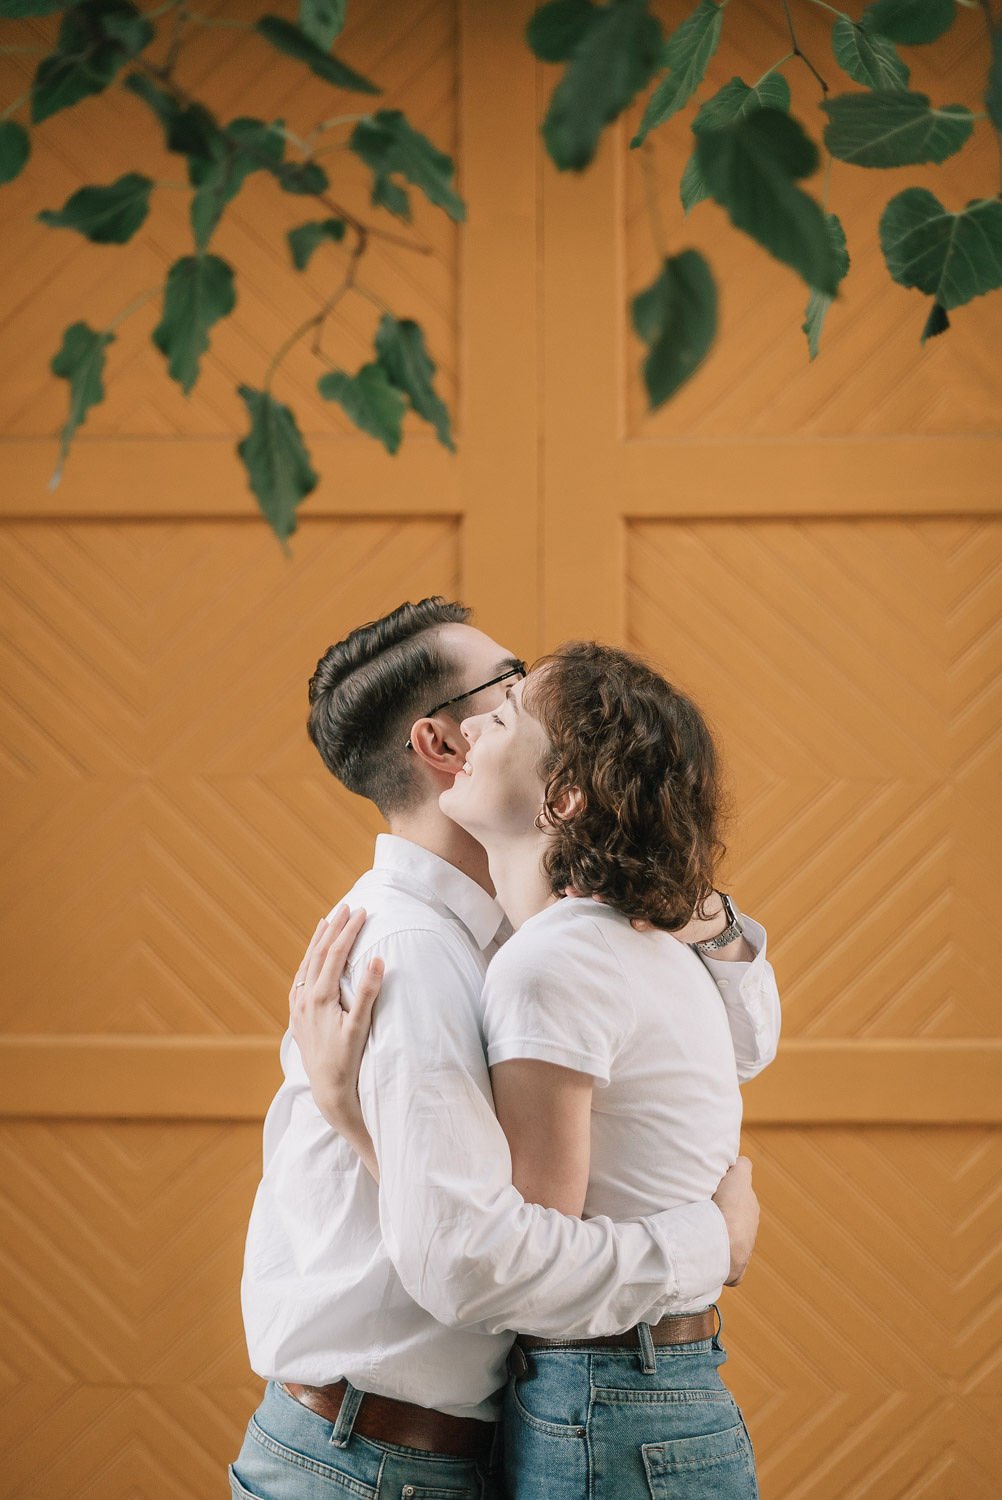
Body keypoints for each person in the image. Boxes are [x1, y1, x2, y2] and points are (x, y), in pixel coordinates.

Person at [232, 599, 780, 1500]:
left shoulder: (532, 927)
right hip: (366, 1460)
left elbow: (736, 1044)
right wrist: (706, 1243)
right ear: (445, 745)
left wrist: (691, 901)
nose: (529, 696)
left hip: (453, 1447)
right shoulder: (411, 955)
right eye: (513, 685)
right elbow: (473, 1255)